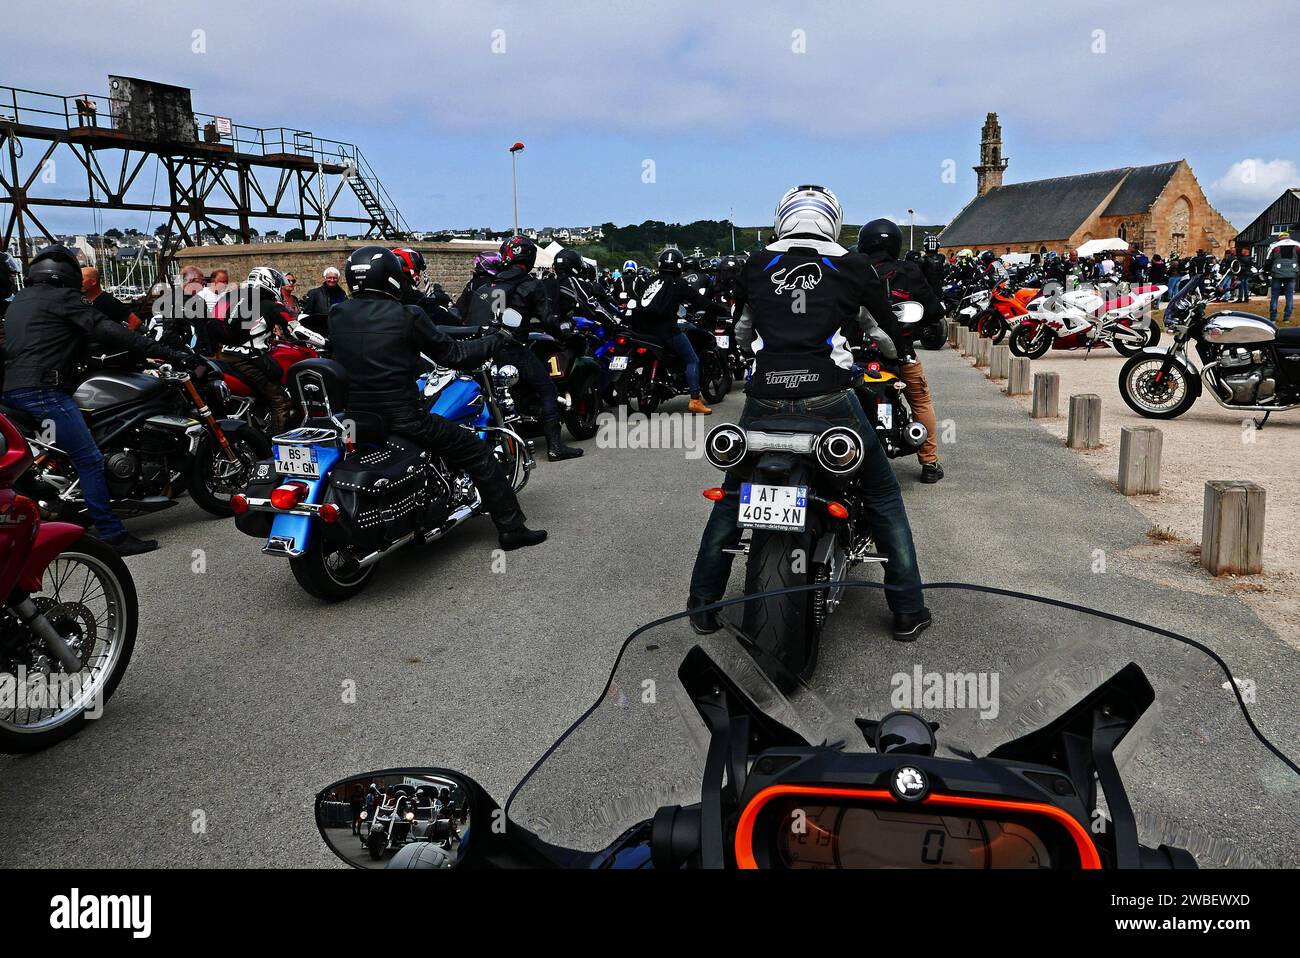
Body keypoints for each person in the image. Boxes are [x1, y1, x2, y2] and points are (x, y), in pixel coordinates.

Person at [687, 185, 929, 642]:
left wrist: (760, 358)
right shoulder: (851, 265)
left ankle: (702, 606)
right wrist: (899, 356)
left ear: (783, 219)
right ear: (832, 220)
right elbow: (886, 330)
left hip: (764, 398)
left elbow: (741, 331)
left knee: (736, 492)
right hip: (829, 397)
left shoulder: (757, 263)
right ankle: (907, 609)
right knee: (882, 494)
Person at [328, 245, 546, 550]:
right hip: (404, 418)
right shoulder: (407, 314)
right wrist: (496, 340)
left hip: (357, 417)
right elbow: (455, 354)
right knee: (477, 454)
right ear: (391, 277)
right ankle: (512, 529)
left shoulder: (337, 314)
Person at [2, 245, 201, 556]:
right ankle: (112, 534)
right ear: (66, 273)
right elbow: (109, 329)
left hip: (12, 390)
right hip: (44, 391)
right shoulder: (65, 298)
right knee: (90, 458)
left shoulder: (20, 302)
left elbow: (55, 340)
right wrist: (167, 351)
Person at [462, 235, 583, 460]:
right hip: (511, 349)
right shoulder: (530, 284)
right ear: (529, 256)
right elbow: (547, 320)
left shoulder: (486, 285)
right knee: (547, 389)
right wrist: (563, 335)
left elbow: (467, 319)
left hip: (479, 351)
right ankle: (556, 446)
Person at [857, 218, 945, 483]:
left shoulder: (853, 270)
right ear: (896, 244)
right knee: (920, 402)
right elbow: (933, 310)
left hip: (857, 354)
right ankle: (930, 464)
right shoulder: (908, 271)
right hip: (901, 352)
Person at [628, 248, 727, 415]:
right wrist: (721, 310)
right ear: (679, 266)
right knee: (692, 359)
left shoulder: (650, 280)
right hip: (665, 330)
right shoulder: (678, 283)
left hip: (641, 330)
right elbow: (699, 301)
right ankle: (695, 400)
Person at [206, 267, 296, 434]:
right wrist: (324, 341)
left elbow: (212, 323)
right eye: (277, 283)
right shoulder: (270, 305)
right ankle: (277, 446)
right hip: (249, 360)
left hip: (225, 355)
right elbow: (295, 327)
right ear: (269, 283)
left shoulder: (231, 296)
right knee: (281, 400)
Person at [1266, 231, 1299, 324]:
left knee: (1275, 295)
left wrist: (1268, 271)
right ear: (1288, 237)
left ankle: (1273, 318)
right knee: (1289, 295)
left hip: (1277, 273)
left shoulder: (1274, 245)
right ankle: (1287, 318)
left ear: (1280, 237)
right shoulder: (1297, 245)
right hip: (1292, 273)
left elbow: (1268, 260)